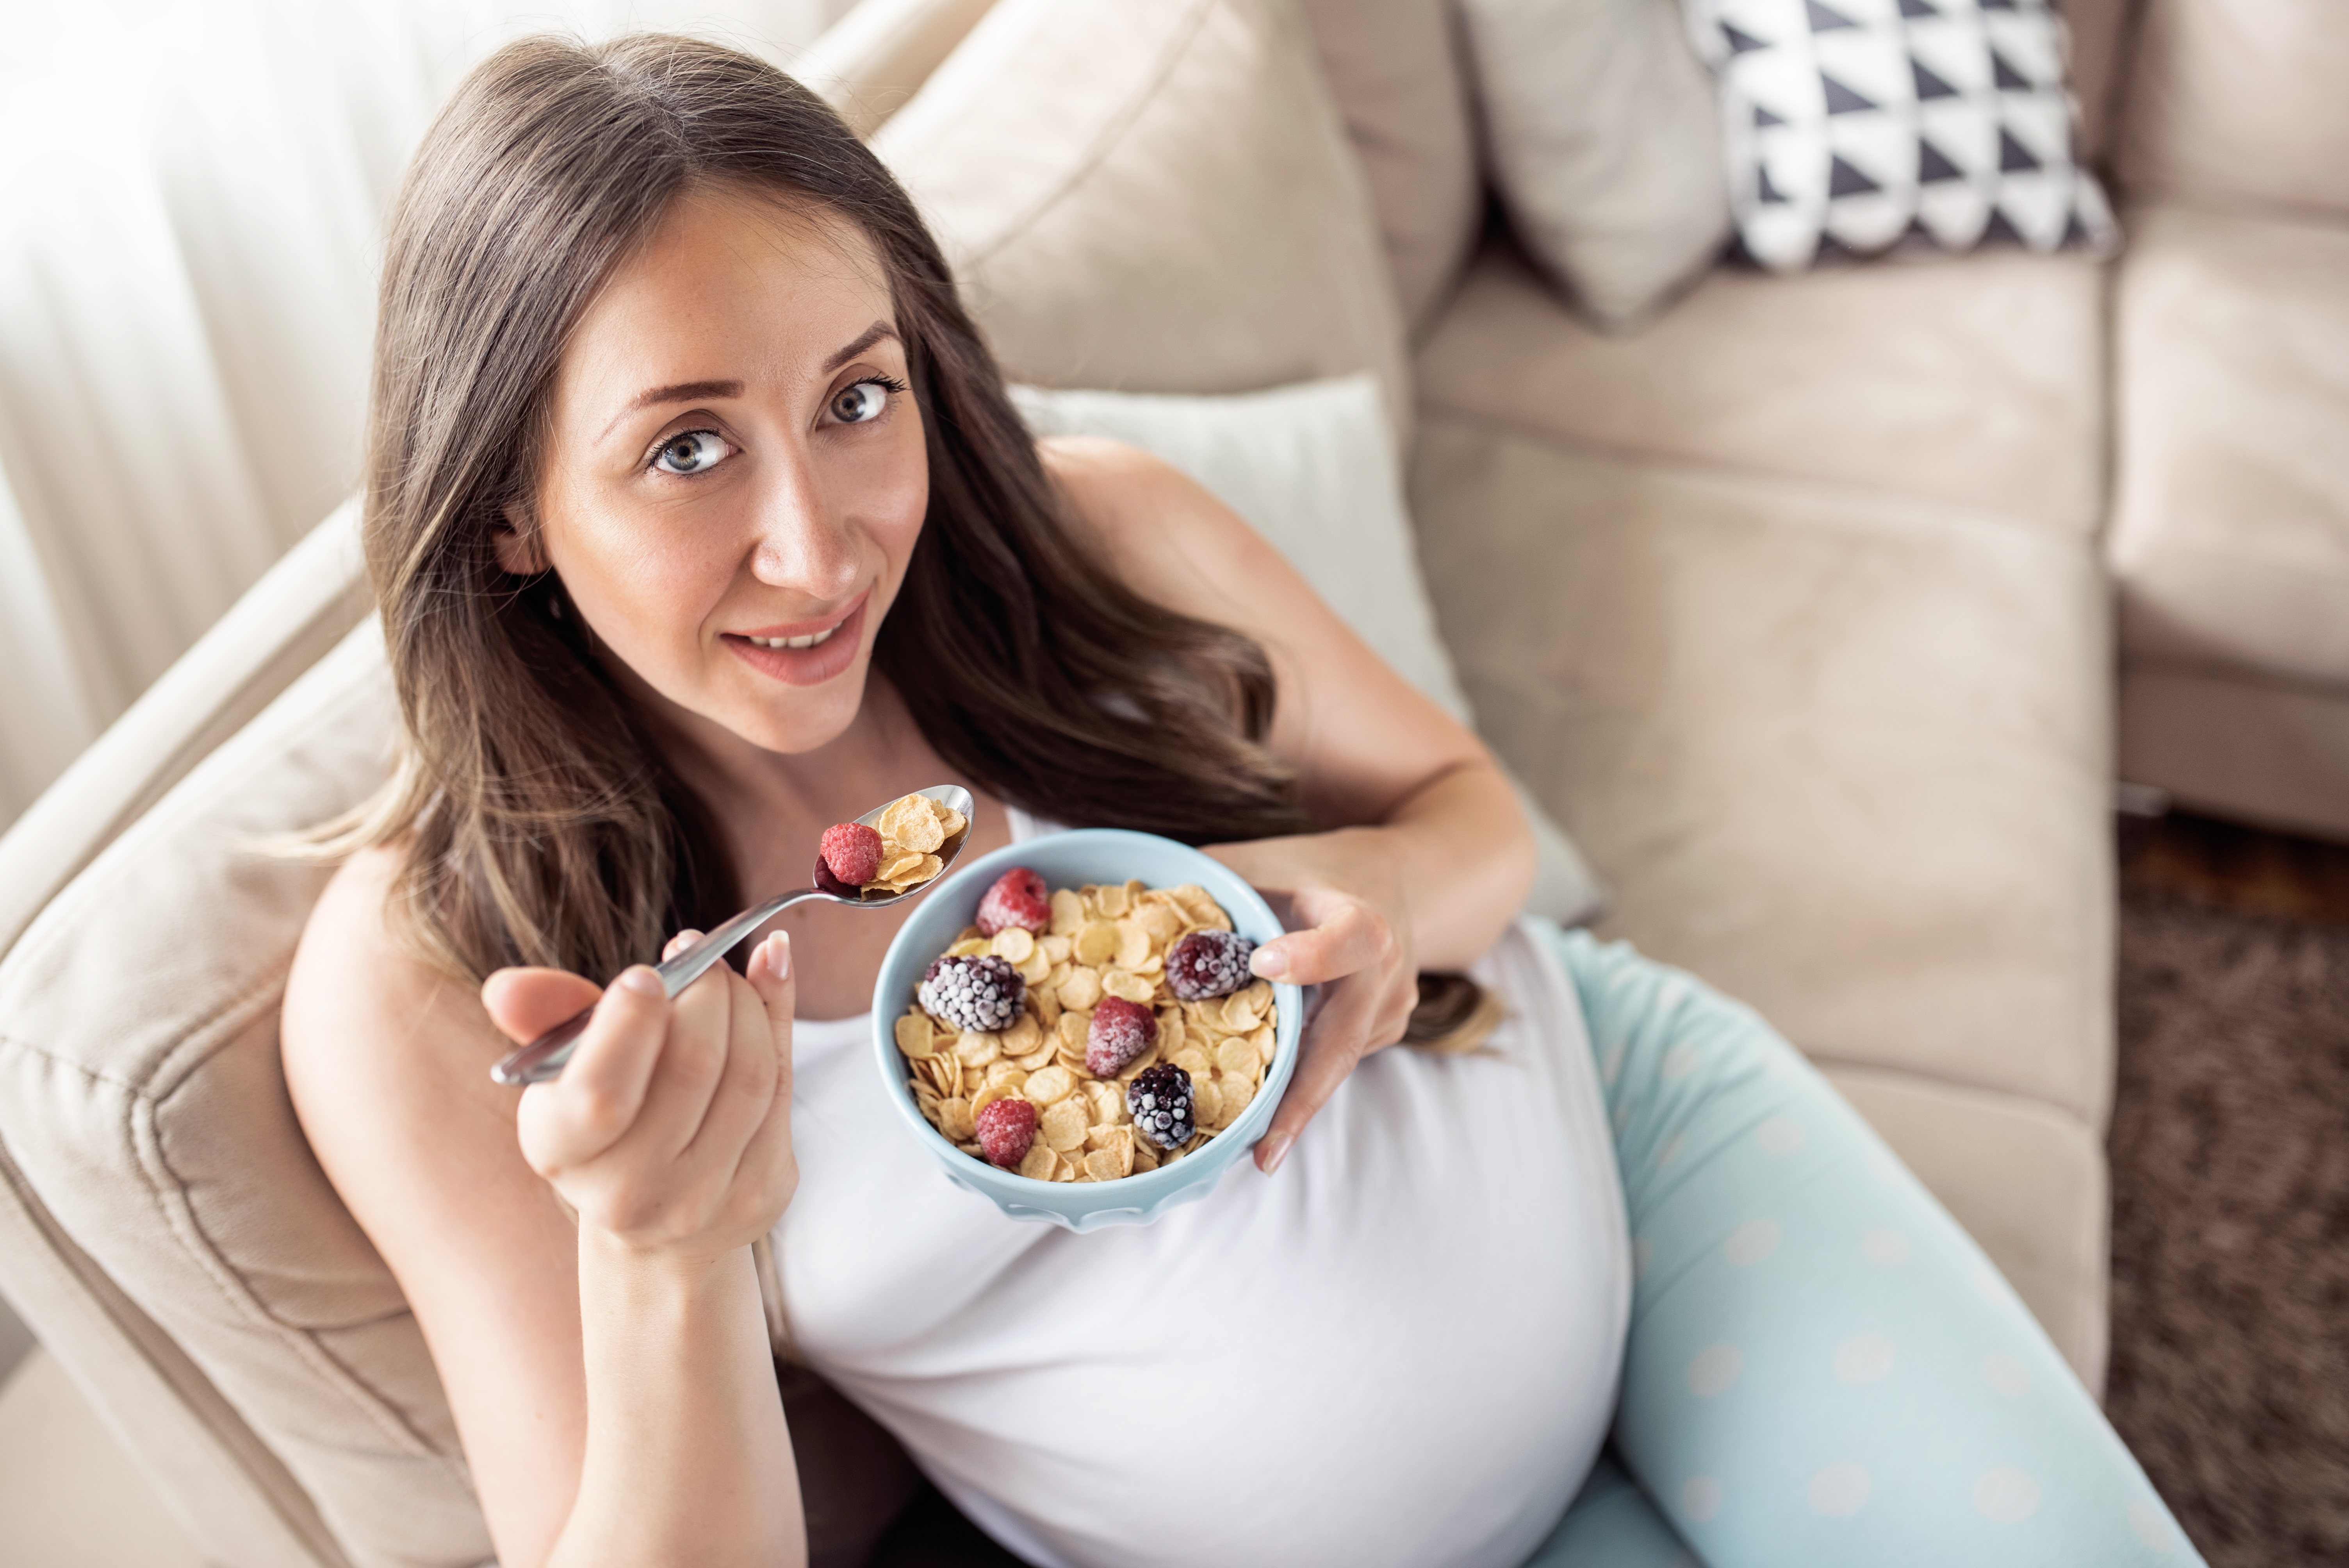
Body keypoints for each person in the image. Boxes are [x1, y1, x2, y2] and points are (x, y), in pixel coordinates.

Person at [284, 33, 2198, 1568]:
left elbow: (1479, 821)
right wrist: (663, 1253)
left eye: (859, 398)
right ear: (515, 505)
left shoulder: (1094, 534)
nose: (820, 542)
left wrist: (1366, 894)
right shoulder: (425, 973)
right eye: (688, 446)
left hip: (1642, 1148)